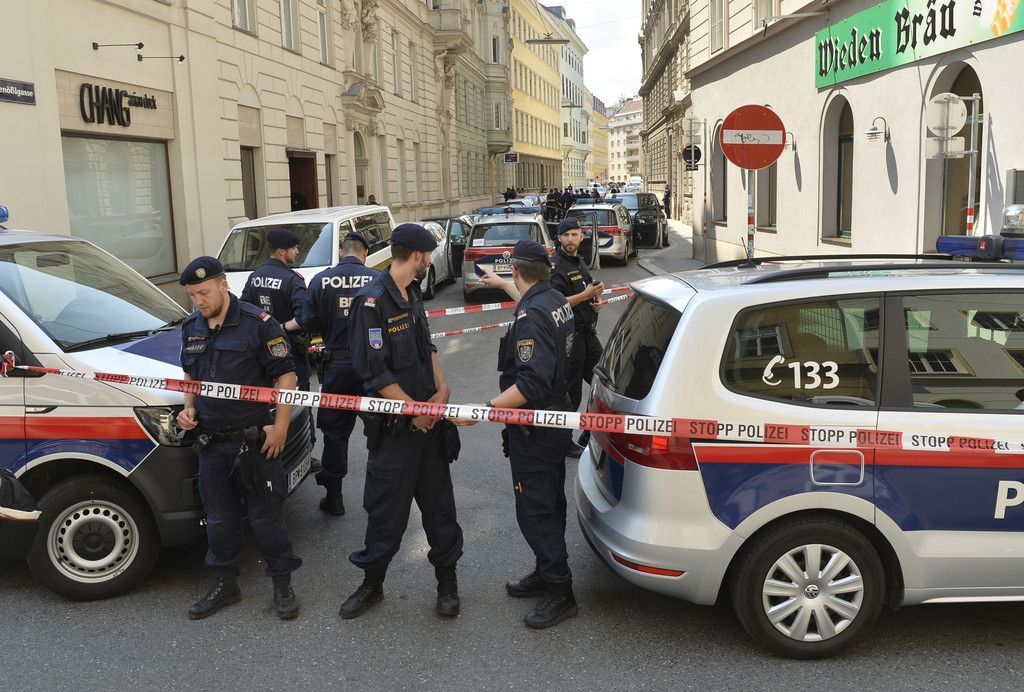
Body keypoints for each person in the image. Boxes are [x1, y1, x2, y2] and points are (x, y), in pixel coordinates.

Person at [339, 223, 463, 620]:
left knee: (440, 510)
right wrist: (415, 412)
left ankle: (447, 582)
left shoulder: (412, 292)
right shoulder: (371, 301)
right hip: (396, 433)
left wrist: (442, 388)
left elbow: (426, 345)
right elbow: (374, 373)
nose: (430, 261)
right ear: (418, 256)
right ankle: (372, 583)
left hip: (429, 429)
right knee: (384, 513)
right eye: (428, 255)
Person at [456, 239, 578, 629]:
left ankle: (560, 590)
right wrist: (501, 283)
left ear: (517, 270)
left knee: (536, 509)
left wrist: (483, 410)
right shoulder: (553, 299)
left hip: (535, 428)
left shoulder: (532, 316)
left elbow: (531, 383)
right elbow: (528, 299)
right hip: (554, 420)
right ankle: (546, 570)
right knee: (550, 501)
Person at [176, 257, 302, 621]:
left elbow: (287, 376)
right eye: (193, 295)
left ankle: (282, 584)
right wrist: (188, 409)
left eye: (204, 292)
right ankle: (225, 583)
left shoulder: (259, 324)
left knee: (265, 517)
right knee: (218, 519)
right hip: (211, 442)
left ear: (223, 284)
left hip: (254, 442)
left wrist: (281, 427)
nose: (198, 300)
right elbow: (190, 375)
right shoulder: (191, 327)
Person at [300, 231, 381, 516]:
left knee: (335, 432)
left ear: (341, 252)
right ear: (365, 253)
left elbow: (308, 321)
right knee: (382, 429)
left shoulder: (321, 279)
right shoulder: (377, 279)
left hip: (337, 367)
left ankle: (334, 497)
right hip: (373, 368)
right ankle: (381, 497)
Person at [240, 228, 315, 451]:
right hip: (290, 355)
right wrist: (279, 328)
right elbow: (303, 319)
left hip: (260, 355)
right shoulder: (293, 280)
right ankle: (304, 450)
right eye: (294, 248)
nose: (297, 251)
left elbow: (244, 310)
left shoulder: (255, 277)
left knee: (266, 404)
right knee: (298, 405)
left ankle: (269, 446)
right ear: (282, 251)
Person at [550, 217, 605, 458]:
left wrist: (595, 301)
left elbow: (586, 292)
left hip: (588, 335)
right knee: (571, 393)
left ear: (581, 236)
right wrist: (585, 295)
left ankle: (589, 431)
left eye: (574, 234)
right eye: (566, 235)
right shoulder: (556, 267)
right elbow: (555, 303)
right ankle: (563, 441)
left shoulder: (579, 261)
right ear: (559, 238)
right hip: (570, 338)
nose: (570, 239)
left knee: (604, 383)